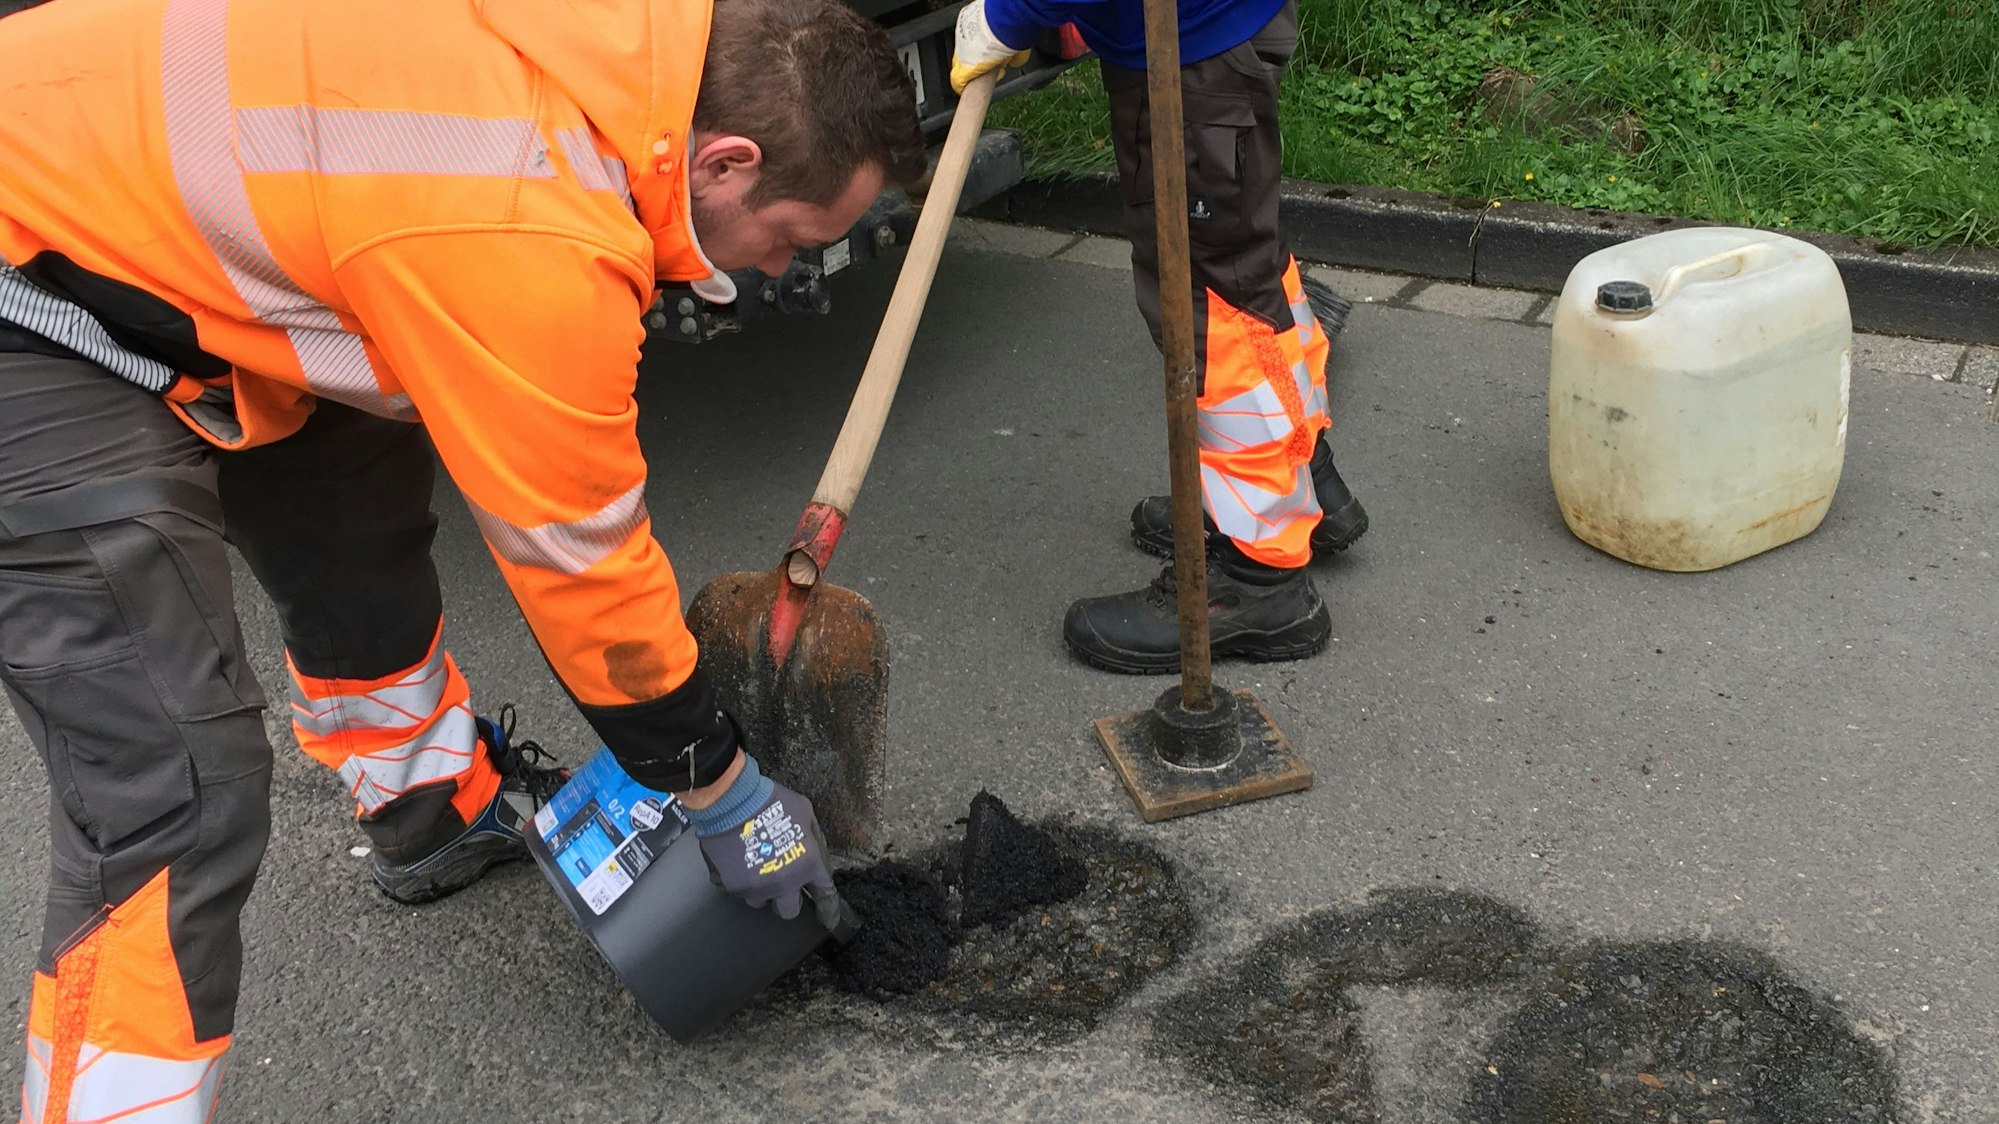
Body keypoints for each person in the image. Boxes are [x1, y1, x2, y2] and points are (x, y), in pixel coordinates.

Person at [0, 0, 924, 1115]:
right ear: (726, 161)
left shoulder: (623, 49)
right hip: (27, 286)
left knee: (347, 489)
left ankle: (423, 804)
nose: (777, 272)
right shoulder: (529, 223)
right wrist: (725, 792)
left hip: (174, 217)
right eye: (789, 243)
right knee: (171, 790)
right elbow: (580, 561)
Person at [953, 0, 1369, 674]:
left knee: (1217, 314)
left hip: (1192, 51)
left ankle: (1255, 576)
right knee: (1244, 277)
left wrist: (1012, 14)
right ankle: (1303, 483)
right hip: (1206, 28)